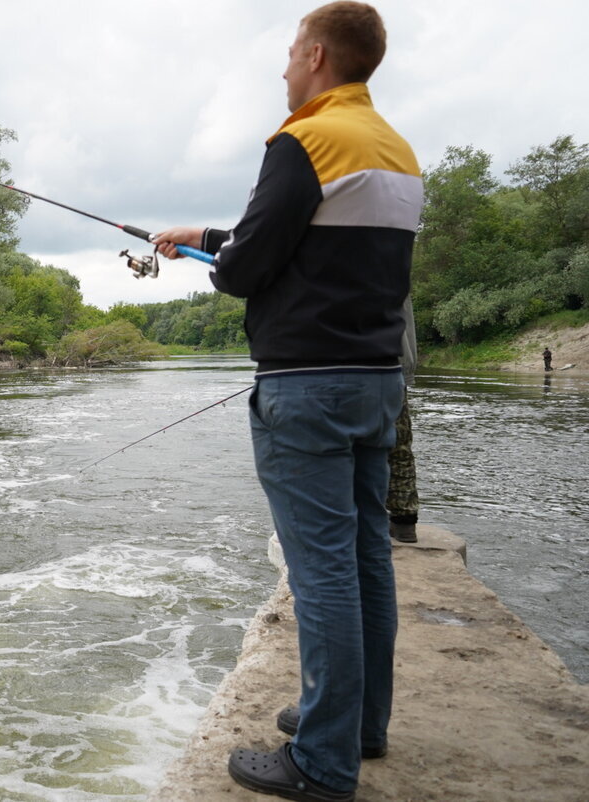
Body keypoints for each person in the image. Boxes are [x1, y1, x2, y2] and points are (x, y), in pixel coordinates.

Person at [153, 3, 423, 800]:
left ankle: (323, 761)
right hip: (377, 385)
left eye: (287, 56)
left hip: (308, 388)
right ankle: (360, 725)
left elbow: (246, 264)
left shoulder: (301, 139)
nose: (282, 70)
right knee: (370, 557)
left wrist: (212, 252)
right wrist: (201, 231)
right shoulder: (397, 151)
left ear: (314, 54)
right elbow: (308, 240)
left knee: (324, 574)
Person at [388, 300, 419, 543]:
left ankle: (366, 519)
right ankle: (405, 522)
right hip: (396, 366)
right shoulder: (396, 264)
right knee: (400, 446)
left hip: (356, 367)